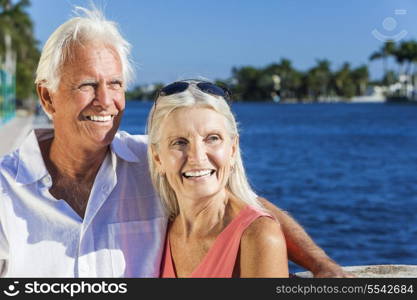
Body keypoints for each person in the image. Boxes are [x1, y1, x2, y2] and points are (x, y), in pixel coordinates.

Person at [0, 7, 350, 277]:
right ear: (47, 98)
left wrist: (320, 264)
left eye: (116, 84)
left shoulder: (153, 160)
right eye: (87, 85)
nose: (105, 101)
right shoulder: (5, 191)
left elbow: (246, 205)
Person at [147, 80, 288, 277]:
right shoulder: (159, 232)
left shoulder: (258, 236)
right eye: (180, 142)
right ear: (157, 158)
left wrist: (320, 263)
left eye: (212, 138)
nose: (197, 157)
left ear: (232, 149)